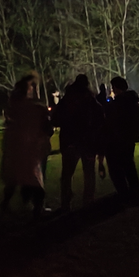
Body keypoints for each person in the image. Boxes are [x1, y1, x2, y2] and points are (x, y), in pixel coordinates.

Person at [0, 74, 53, 218]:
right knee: (35, 178)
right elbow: (48, 129)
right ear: (28, 90)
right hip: (31, 149)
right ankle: (38, 207)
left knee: (13, 178)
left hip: (15, 149)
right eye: (32, 86)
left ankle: (6, 204)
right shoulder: (36, 109)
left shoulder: (12, 108)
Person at [52, 74, 104, 212]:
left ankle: (66, 203)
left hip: (70, 142)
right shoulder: (91, 101)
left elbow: (55, 119)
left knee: (67, 175)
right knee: (89, 174)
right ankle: (88, 201)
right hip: (88, 143)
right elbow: (100, 120)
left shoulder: (67, 100)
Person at [103, 76, 139, 205]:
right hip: (129, 139)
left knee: (116, 169)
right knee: (129, 166)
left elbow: (111, 121)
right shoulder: (133, 103)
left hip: (117, 141)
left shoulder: (118, 104)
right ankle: (135, 192)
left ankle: (124, 195)